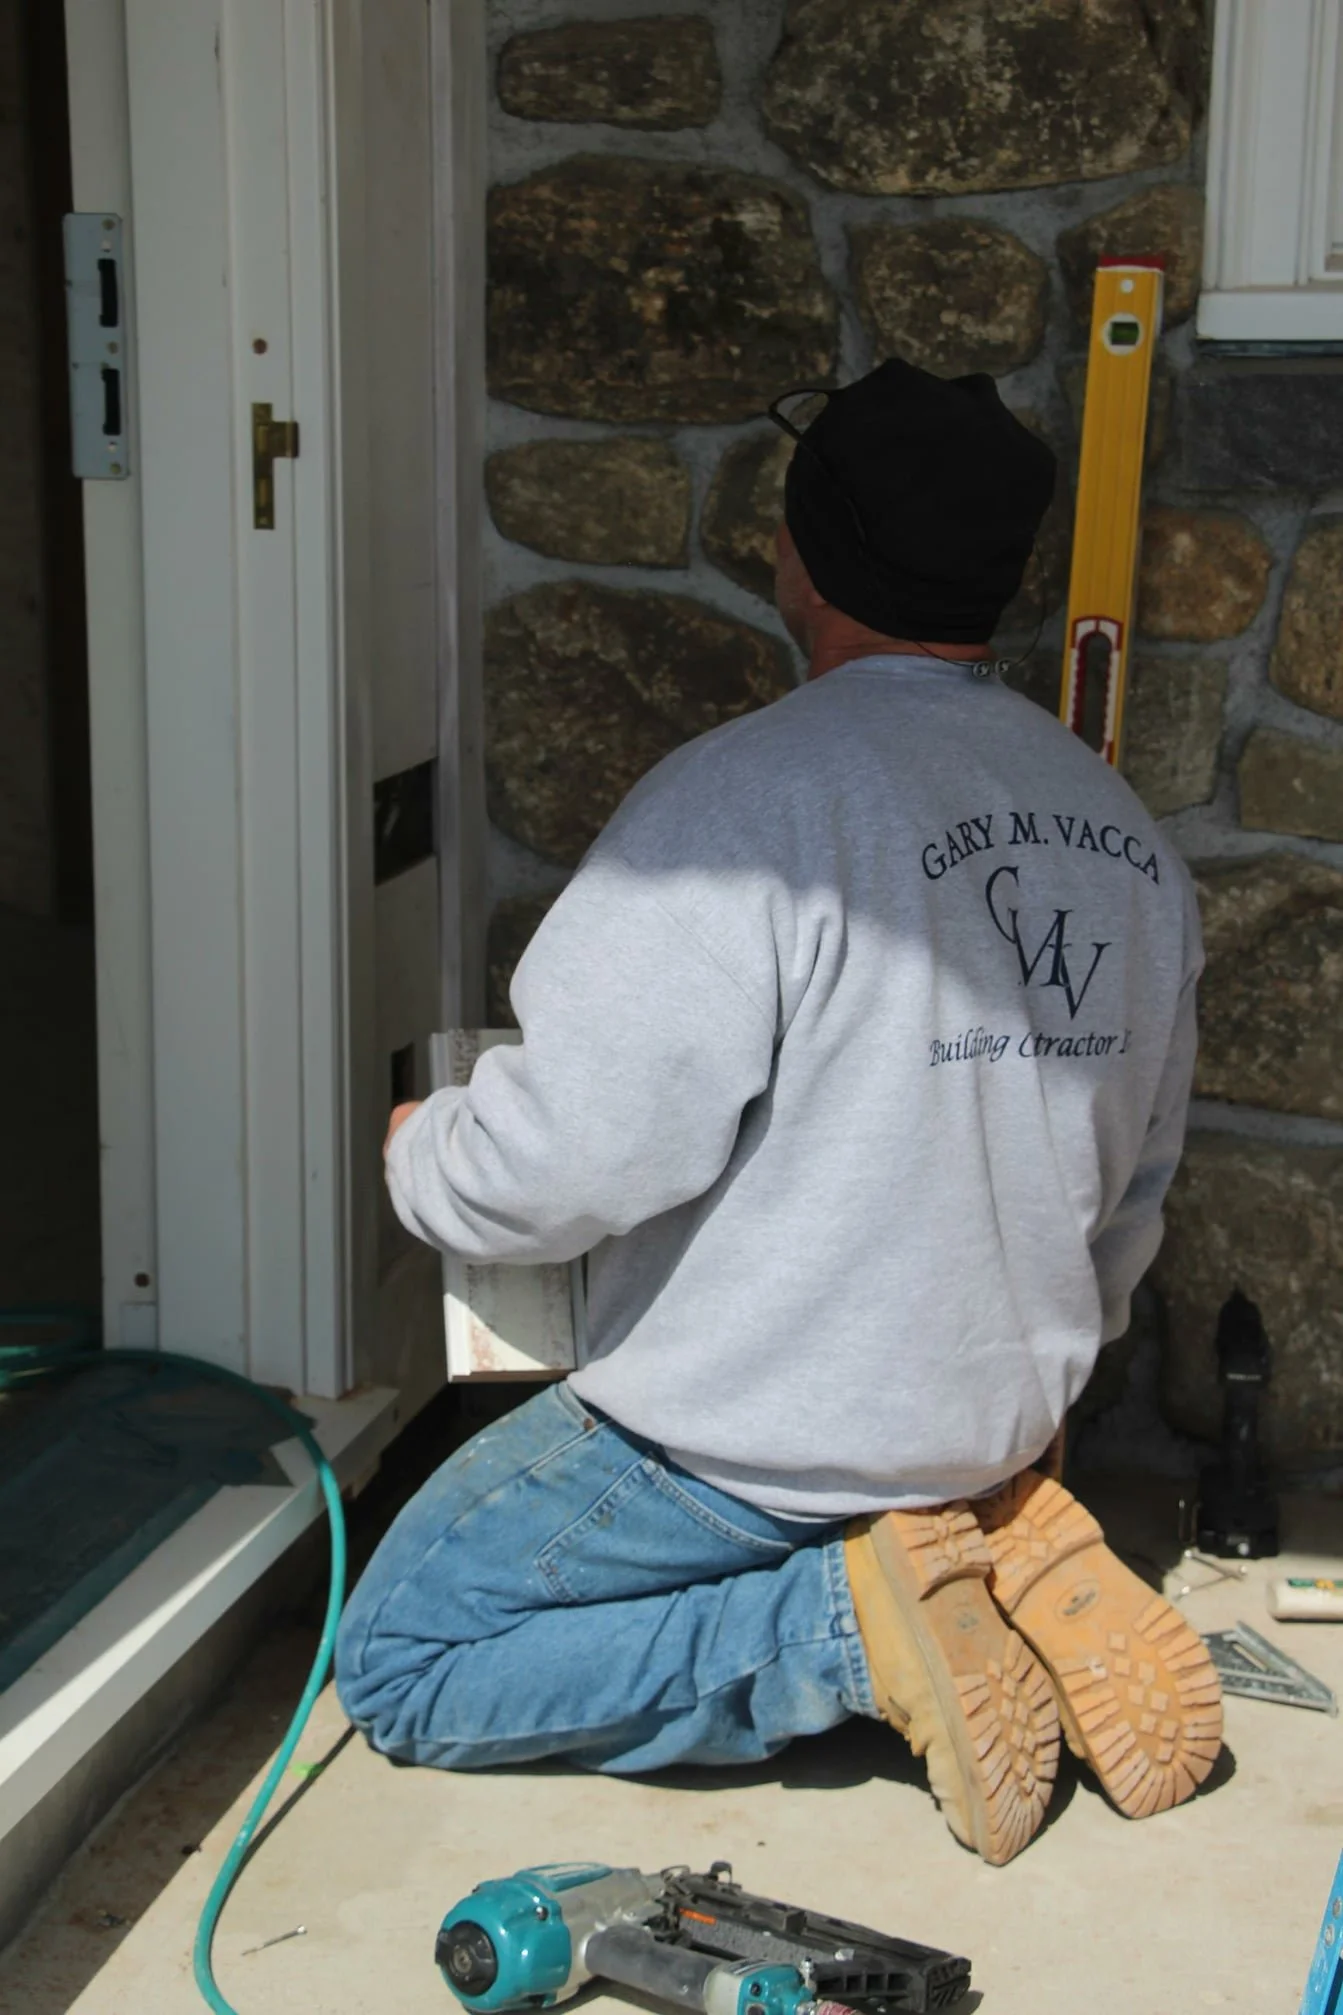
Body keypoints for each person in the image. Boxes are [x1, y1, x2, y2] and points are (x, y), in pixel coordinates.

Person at [334, 359, 1221, 1866]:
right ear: (997, 579)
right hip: (992, 1421)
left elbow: (577, 1153)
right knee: (901, 1477)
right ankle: (986, 1536)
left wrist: (433, 1167)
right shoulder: (1116, 833)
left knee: (408, 1657)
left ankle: (844, 1633)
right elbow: (1129, 1186)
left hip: (741, 1453)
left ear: (796, 561)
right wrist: (1023, 1390)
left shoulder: (740, 810)